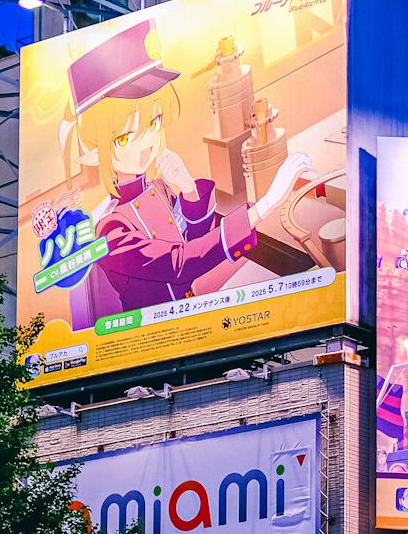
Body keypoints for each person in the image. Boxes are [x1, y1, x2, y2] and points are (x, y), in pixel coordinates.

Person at [60, 19, 311, 322]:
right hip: (149, 342)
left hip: (190, 321)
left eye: (154, 124)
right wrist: (266, 205)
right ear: (96, 150)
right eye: (125, 137)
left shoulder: (160, 188)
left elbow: (195, 242)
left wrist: (189, 190)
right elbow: (180, 264)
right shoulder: (111, 230)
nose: (147, 142)